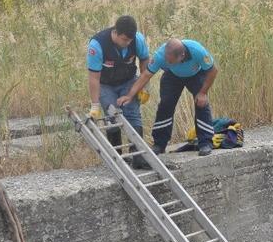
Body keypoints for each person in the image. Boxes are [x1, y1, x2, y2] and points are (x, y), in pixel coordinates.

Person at [117, 38, 219, 157]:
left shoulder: (197, 51)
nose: (166, 62)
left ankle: (205, 143)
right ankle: (159, 144)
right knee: (165, 105)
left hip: (196, 74)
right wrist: (129, 95)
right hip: (172, 76)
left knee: (201, 103)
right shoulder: (160, 55)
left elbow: (213, 71)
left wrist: (203, 93)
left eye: (170, 61)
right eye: (166, 59)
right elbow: (146, 75)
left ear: (182, 56)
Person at [86, 15, 151, 169]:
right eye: (124, 40)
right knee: (112, 115)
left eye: (130, 40)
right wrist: (95, 105)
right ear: (115, 32)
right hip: (105, 85)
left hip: (128, 81)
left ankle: (138, 157)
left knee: (132, 114)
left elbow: (145, 60)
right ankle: (117, 157)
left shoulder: (138, 40)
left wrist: (144, 87)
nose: (127, 43)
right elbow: (94, 78)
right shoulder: (97, 45)